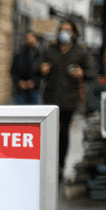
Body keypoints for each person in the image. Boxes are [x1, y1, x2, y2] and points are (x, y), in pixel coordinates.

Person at [40, 20, 95, 181]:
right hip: (50, 98)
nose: (63, 33)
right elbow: (36, 68)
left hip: (69, 100)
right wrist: (41, 69)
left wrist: (81, 73)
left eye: (67, 30)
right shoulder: (50, 50)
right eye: (61, 29)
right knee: (48, 133)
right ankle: (47, 163)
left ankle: (60, 165)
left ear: (74, 34)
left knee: (63, 132)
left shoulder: (80, 52)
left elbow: (91, 73)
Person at [10, 31, 42, 105]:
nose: (30, 40)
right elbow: (13, 71)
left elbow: (42, 73)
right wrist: (19, 82)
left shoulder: (40, 55)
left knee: (34, 112)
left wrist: (34, 82)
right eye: (27, 38)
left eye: (32, 38)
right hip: (21, 90)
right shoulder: (19, 55)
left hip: (34, 89)